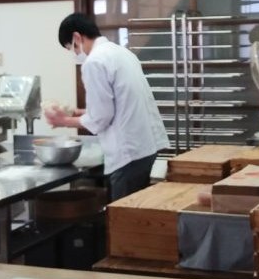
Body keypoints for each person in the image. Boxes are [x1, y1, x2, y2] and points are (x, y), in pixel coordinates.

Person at [45, 13, 169, 200]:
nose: (75, 54)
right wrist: (76, 112)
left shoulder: (94, 62)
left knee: (123, 220)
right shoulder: (122, 53)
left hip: (128, 154)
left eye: (72, 48)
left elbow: (101, 118)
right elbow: (118, 105)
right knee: (136, 213)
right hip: (145, 148)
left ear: (77, 37)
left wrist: (63, 121)